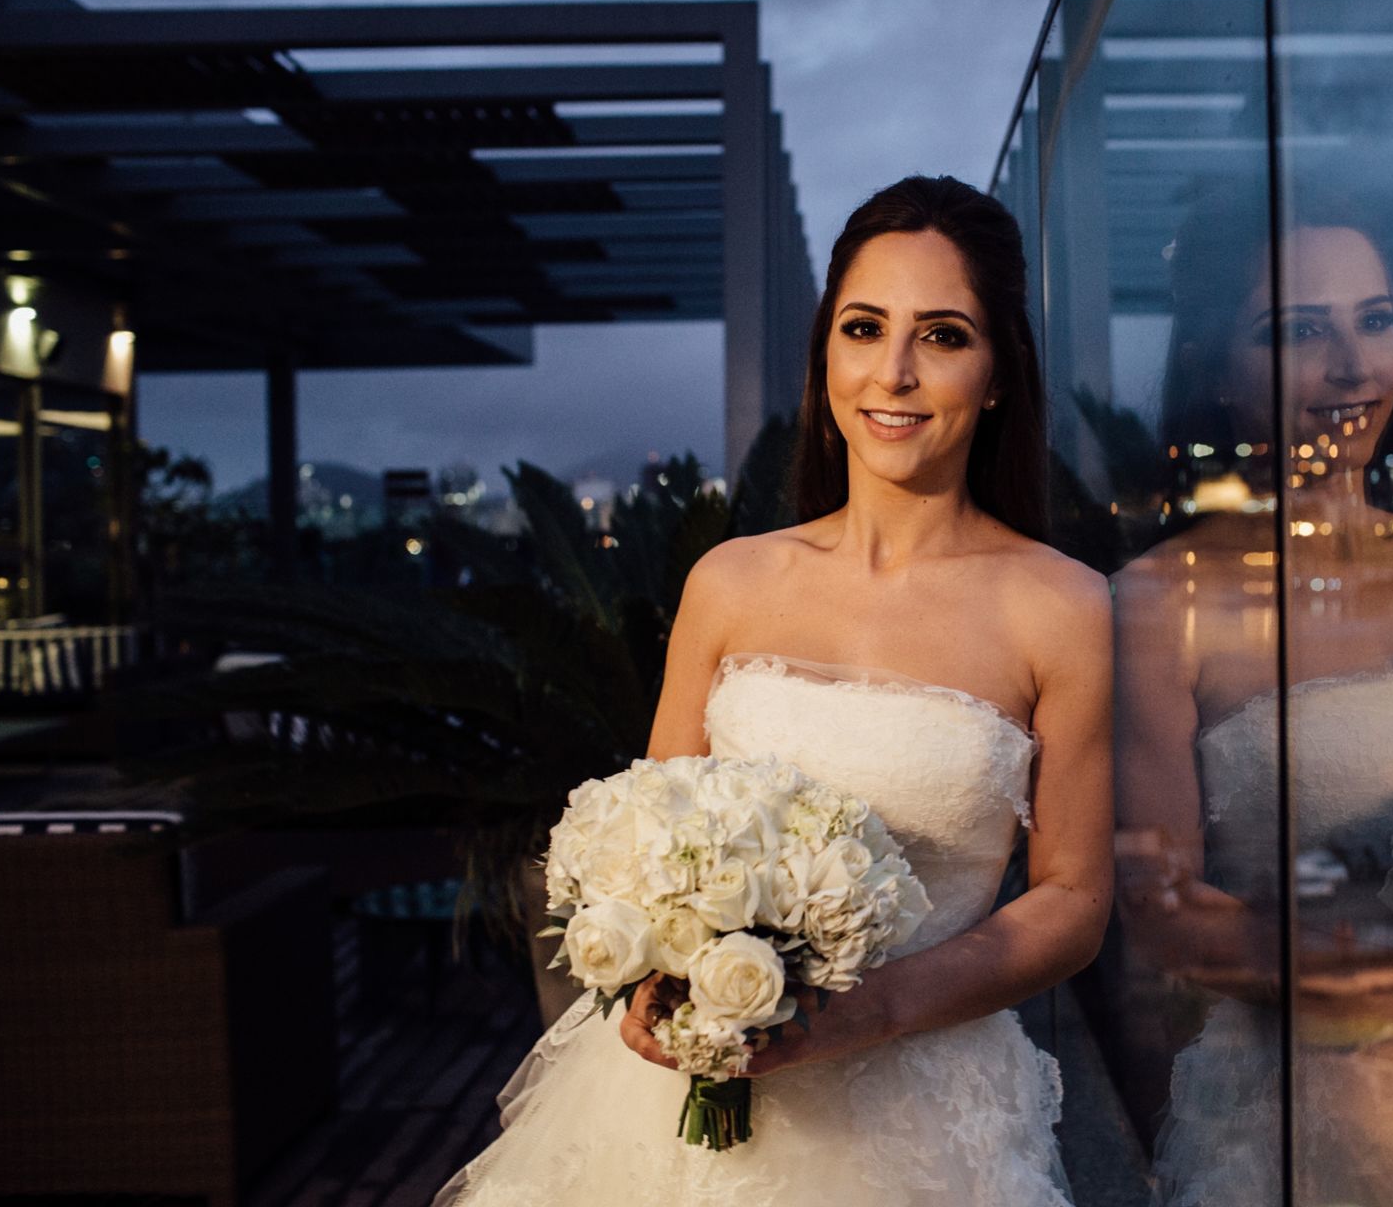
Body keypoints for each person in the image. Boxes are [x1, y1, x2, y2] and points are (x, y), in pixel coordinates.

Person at [434, 175, 1113, 1206]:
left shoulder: (1061, 607)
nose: (894, 371)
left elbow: (1074, 900)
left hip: (921, 1121)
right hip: (678, 1106)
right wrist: (652, 976)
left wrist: (871, 1009)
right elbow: (646, 834)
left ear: (998, 375)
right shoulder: (730, 582)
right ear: (825, 355)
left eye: (942, 335)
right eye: (863, 327)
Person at [1113, 196, 1393, 1205]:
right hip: (1307, 1091)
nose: (1353, 367)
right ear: (1218, 373)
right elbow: (1161, 910)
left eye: (1375, 320)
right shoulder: (1160, 600)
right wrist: (1389, 983)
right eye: (1300, 331)